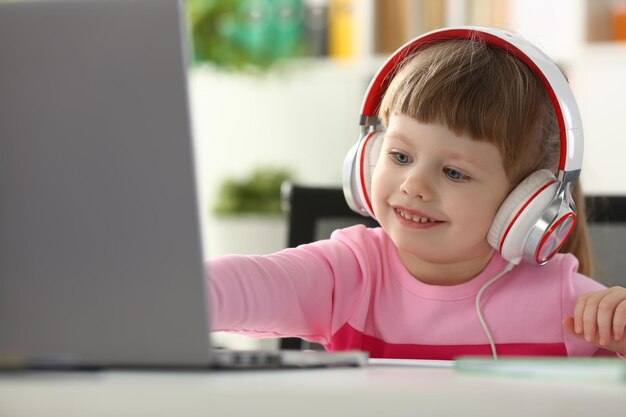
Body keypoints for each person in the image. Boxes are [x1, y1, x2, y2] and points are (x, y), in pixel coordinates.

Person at [208, 28, 626, 359]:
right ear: (369, 156)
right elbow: (240, 287)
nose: (414, 186)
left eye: (454, 172)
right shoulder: (348, 273)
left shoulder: (564, 304)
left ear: (527, 201)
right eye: (401, 155)